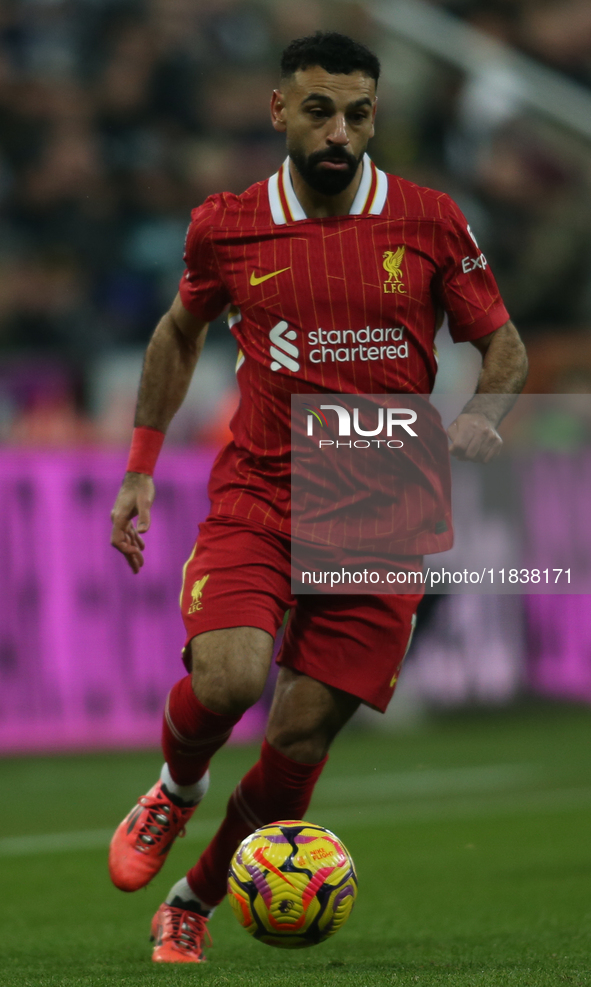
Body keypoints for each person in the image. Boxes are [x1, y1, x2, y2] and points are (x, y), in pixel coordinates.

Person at [108, 32, 528, 963]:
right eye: (319, 110)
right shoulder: (226, 223)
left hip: (382, 503)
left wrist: (486, 414)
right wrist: (140, 466)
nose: (340, 131)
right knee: (228, 677)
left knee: (298, 736)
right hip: (261, 488)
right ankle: (176, 789)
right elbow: (179, 333)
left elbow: (503, 347)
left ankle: (194, 898)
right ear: (278, 111)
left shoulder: (427, 219)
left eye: (358, 114)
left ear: (374, 118)